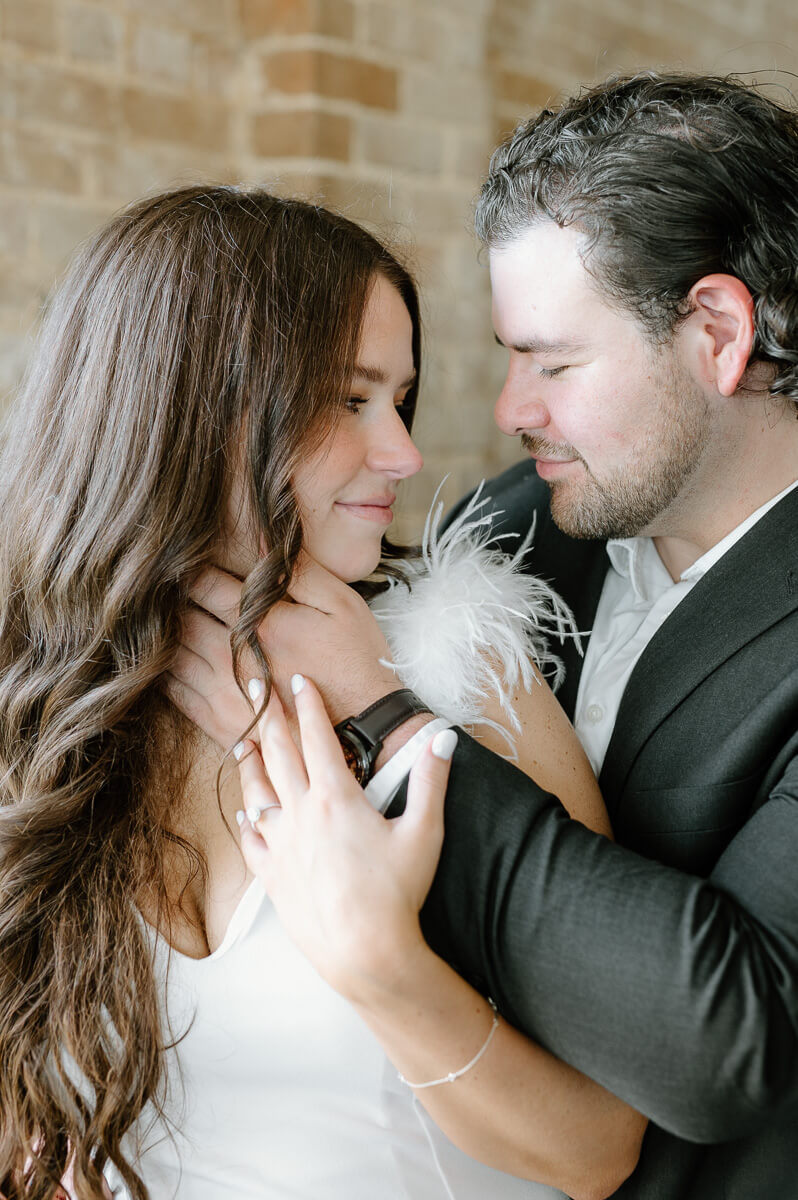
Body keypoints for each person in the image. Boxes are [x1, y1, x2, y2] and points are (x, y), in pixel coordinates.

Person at [176, 73, 798, 1199]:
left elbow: (729, 1043)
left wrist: (394, 720)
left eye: (554, 364)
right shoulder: (505, 538)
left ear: (717, 333)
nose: (510, 410)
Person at [0, 184, 644, 1200]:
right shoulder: (32, 715)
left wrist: (380, 962)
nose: (404, 453)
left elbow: (603, 1148)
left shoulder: (464, 672)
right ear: (191, 405)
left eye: (399, 399)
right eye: (351, 400)